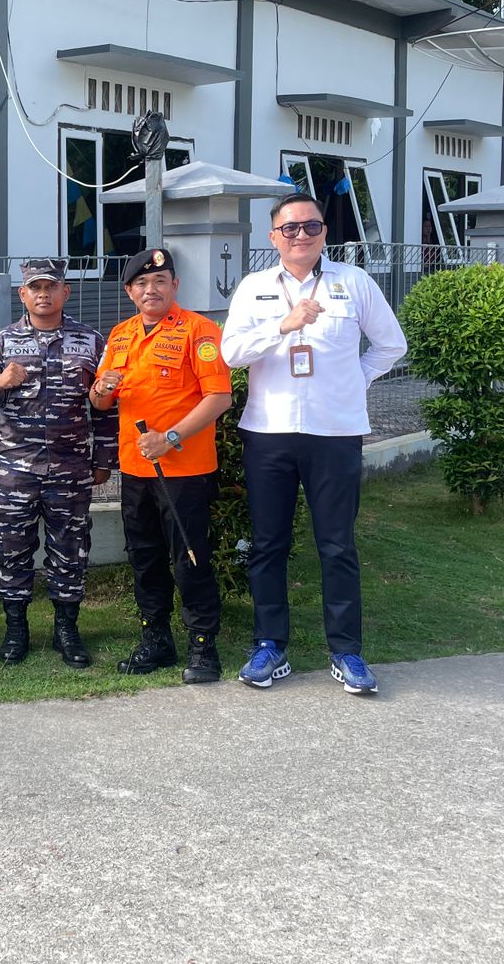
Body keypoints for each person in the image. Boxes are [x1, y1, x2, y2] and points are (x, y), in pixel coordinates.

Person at [221, 194, 407, 695]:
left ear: (324, 233)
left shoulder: (354, 282)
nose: (301, 235)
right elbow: (231, 353)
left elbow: (392, 345)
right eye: (290, 229)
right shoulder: (255, 287)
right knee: (267, 545)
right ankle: (269, 646)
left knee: (337, 545)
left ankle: (347, 652)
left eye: (311, 226)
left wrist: (355, 380)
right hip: (269, 431)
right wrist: (283, 324)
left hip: (335, 432)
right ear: (273, 237)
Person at [0, 258, 117, 668]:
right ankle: (16, 628)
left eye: (51, 286)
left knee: (70, 550)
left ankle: (66, 629)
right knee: (12, 550)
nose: (43, 294)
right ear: (23, 294)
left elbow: (105, 407)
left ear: (66, 292)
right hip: (16, 470)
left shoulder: (89, 341)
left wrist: (103, 459)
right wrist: (0, 381)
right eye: (35, 287)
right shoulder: (0, 342)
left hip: (71, 471)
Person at [90, 248, 232, 683]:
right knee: (145, 558)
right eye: (142, 284)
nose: (151, 290)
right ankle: (157, 640)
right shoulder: (120, 335)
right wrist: (101, 388)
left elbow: (220, 398)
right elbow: (100, 400)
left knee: (189, 558)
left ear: (174, 286)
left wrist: (171, 437)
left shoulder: (199, 331)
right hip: (134, 468)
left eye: (160, 281)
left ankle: (204, 648)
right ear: (130, 291)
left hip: (184, 470)